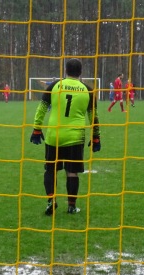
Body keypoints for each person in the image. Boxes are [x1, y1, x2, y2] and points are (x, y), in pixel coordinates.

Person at [30, 58, 101, 215]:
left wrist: (36, 129)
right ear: (80, 72)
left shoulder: (54, 86)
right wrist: (96, 137)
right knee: (72, 172)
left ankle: (51, 201)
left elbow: (41, 109)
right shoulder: (88, 90)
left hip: (54, 135)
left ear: (65, 71)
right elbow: (93, 117)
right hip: (75, 138)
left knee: (50, 170)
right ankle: (71, 206)